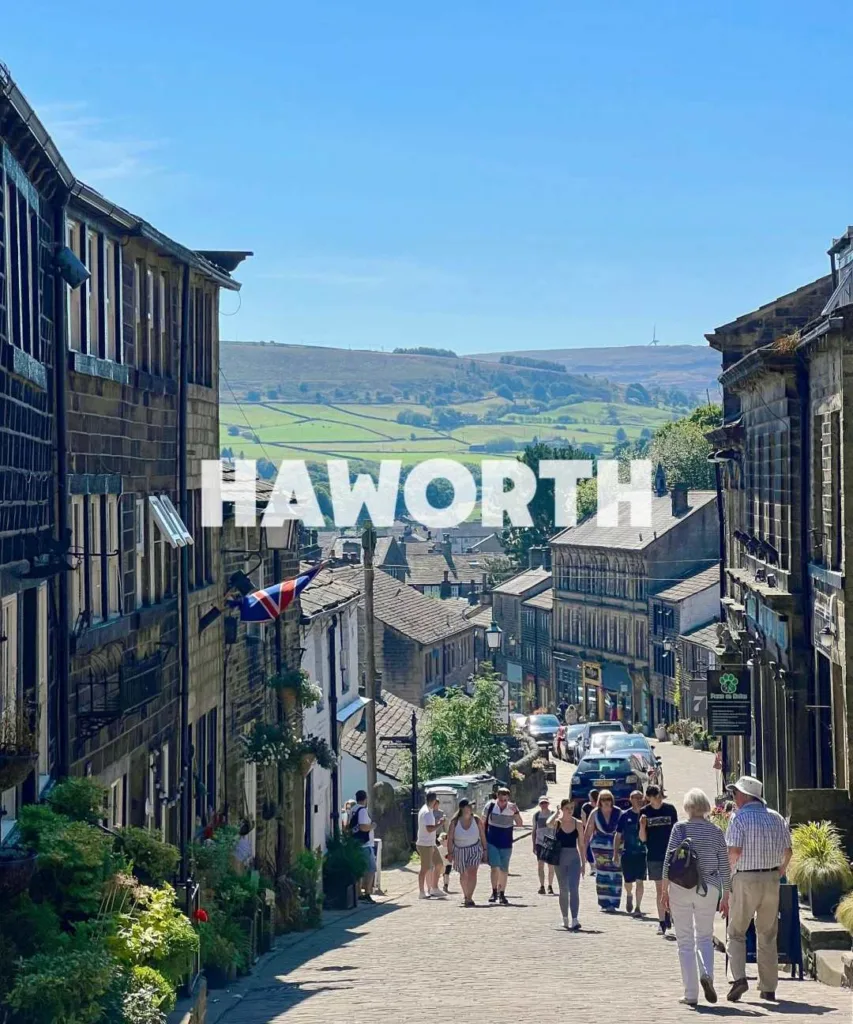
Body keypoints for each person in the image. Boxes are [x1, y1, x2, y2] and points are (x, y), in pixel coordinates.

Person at [724, 775, 793, 1004]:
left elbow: (733, 852)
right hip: (771, 877)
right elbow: (788, 851)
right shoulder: (776, 817)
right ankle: (768, 987)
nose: (734, 798)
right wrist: (780, 871)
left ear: (744, 795)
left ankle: (739, 978)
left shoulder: (739, 818)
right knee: (767, 933)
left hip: (745, 878)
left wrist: (729, 877)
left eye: (735, 794)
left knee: (736, 932)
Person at [661, 788, 731, 1008]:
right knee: (704, 936)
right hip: (708, 888)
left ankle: (691, 993)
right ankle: (707, 974)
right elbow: (725, 867)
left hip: (681, 887)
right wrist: (726, 895)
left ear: (688, 807)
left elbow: (668, 861)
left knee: (684, 941)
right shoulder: (716, 831)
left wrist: (664, 891)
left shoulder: (679, 828)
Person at [640, 784, 679, 934]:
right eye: (655, 796)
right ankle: (662, 921)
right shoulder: (645, 812)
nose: (658, 799)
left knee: (673, 889)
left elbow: (676, 831)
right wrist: (642, 826)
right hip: (654, 855)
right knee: (660, 889)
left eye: (659, 795)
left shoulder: (670, 809)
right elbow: (643, 839)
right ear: (649, 798)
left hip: (671, 854)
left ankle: (670, 914)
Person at [548, 798, 585, 930]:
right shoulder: (557, 823)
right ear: (562, 809)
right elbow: (548, 823)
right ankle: (565, 918)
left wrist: (584, 862)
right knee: (563, 889)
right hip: (560, 858)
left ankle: (575, 919)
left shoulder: (578, 823)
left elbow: (581, 844)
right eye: (567, 808)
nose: (569, 811)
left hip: (574, 857)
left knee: (574, 888)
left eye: (571, 808)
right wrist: (556, 812)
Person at [483, 786, 523, 904]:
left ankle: (502, 893)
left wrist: (515, 812)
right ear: (497, 797)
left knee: (504, 869)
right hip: (492, 841)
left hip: (506, 842)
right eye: (500, 800)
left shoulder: (512, 808)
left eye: (505, 800)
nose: (502, 803)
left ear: (508, 799)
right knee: (494, 867)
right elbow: (482, 821)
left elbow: (520, 824)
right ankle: (494, 891)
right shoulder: (490, 806)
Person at [584, 790, 623, 911]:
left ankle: (614, 902)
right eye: (603, 799)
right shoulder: (595, 813)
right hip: (600, 848)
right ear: (599, 801)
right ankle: (604, 902)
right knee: (603, 873)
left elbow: (623, 831)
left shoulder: (619, 812)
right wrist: (584, 849)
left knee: (616, 873)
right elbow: (588, 831)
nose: (606, 802)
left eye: (608, 799)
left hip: (616, 847)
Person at [446, 798, 487, 907]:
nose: (470, 808)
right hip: (459, 850)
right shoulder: (455, 822)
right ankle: (466, 895)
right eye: (468, 806)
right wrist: (450, 852)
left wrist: (485, 850)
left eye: (471, 806)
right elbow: (450, 838)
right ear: (462, 808)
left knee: (472, 872)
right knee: (463, 874)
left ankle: (469, 897)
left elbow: (482, 835)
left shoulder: (476, 820)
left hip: (474, 848)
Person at [614, 790, 646, 916]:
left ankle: (638, 907)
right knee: (628, 881)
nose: (638, 799)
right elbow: (618, 834)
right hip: (627, 852)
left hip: (642, 852)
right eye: (635, 797)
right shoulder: (625, 815)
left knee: (640, 880)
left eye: (640, 797)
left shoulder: (646, 815)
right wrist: (615, 853)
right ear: (630, 799)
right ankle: (629, 894)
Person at [416, 791, 446, 899]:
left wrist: (437, 823)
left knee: (439, 863)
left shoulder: (427, 810)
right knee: (425, 868)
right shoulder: (427, 812)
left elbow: (429, 826)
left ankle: (434, 888)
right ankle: (421, 891)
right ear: (433, 800)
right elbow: (429, 829)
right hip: (425, 844)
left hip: (431, 843)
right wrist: (440, 824)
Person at [349, 790, 377, 903]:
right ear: (365, 799)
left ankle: (358, 892)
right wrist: (373, 826)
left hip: (356, 843)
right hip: (365, 844)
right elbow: (363, 827)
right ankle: (367, 892)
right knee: (371, 869)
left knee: (359, 870)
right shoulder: (363, 810)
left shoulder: (353, 809)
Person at [532, 795, 556, 895]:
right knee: (540, 865)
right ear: (539, 804)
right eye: (542, 803)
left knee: (551, 865)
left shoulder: (553, 814)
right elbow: (534, 830)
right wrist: (533, 845)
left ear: (548, 803)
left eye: (545, 803)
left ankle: (550, 885)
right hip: (539, 842)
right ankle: (542, 886)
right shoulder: (536, 815)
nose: (544, 805)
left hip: (550, 841)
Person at [581, 789, 599, 876]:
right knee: (587, 848)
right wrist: (589, 829)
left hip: (598, 831)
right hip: (588, 830)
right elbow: (583, 820)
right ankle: (592, 866)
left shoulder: (599, 806)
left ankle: (598, 865)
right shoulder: (585, 807)